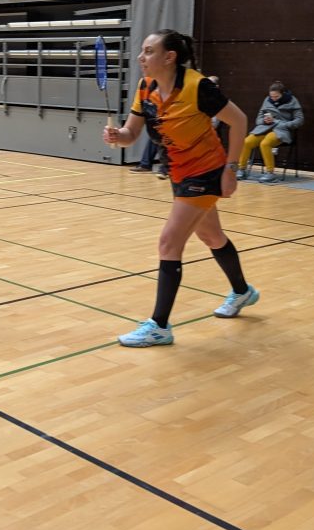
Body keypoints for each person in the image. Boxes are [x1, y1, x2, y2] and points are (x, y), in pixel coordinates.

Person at [101, 29, 256, 348]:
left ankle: (159, 326)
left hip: (205, 172)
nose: (141, 58)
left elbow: (239, 120)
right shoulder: (146, 87)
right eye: (142, 51)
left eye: (148, 51)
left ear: (169, 57)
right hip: (177, 171)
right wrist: (119, 136)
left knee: (169, 242)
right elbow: (132, 133)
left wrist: (231, 169)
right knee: (211, 236)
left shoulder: (198, 86)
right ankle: (242, 292)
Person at [236, 81, 304, 183]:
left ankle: (270, 173)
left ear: (283, 94)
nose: (273, 98)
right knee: (247, 142)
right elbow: (258, 120)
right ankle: (241, 169)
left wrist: (284, 124)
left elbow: (300, 120)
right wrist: (264, 120)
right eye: (271, 96)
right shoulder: (267, 100)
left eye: (276, 96)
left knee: (265, 143)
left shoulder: (292, 101)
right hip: (264, 128)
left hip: (281, 130)